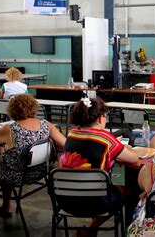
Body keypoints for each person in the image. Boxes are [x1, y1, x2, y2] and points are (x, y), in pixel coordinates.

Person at [59, 97, 138, 234]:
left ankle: (90, 230)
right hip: (94, 203)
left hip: (65, 200)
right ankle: (97, 229)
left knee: (100, 184)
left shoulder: (72, 134)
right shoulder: (106, 138)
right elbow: (133, 158)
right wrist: (124, 146)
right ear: (101, 117)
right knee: (127, 189)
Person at [0, 94, 65, 218]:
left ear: (12, 109)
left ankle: (7, 205)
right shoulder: (46, 125)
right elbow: (65, 144)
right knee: (9, 154)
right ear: (34, 107)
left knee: (1, 149)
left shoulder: (10, 128)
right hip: (41, 172)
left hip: (16, 176)